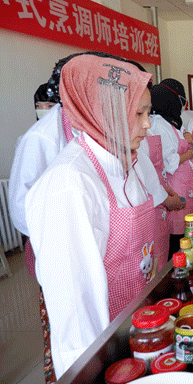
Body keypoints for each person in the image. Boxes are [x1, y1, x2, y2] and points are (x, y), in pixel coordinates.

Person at [25, 54, 156, 380]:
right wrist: (94, 374)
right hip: (105, 356)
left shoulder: (127, 162)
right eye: (138, 113)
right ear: (104, 112)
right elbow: (75, 313)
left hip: (135, 333)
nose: (147, 124)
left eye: (148, 112)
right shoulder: (70, 183)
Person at [148, 79, 193, 256]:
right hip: (175, 187)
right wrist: (188, 154)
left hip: (186, 185)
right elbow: (168, 163)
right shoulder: (158, 124)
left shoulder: (173, 121)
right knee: (178, 242)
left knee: (189, 235)